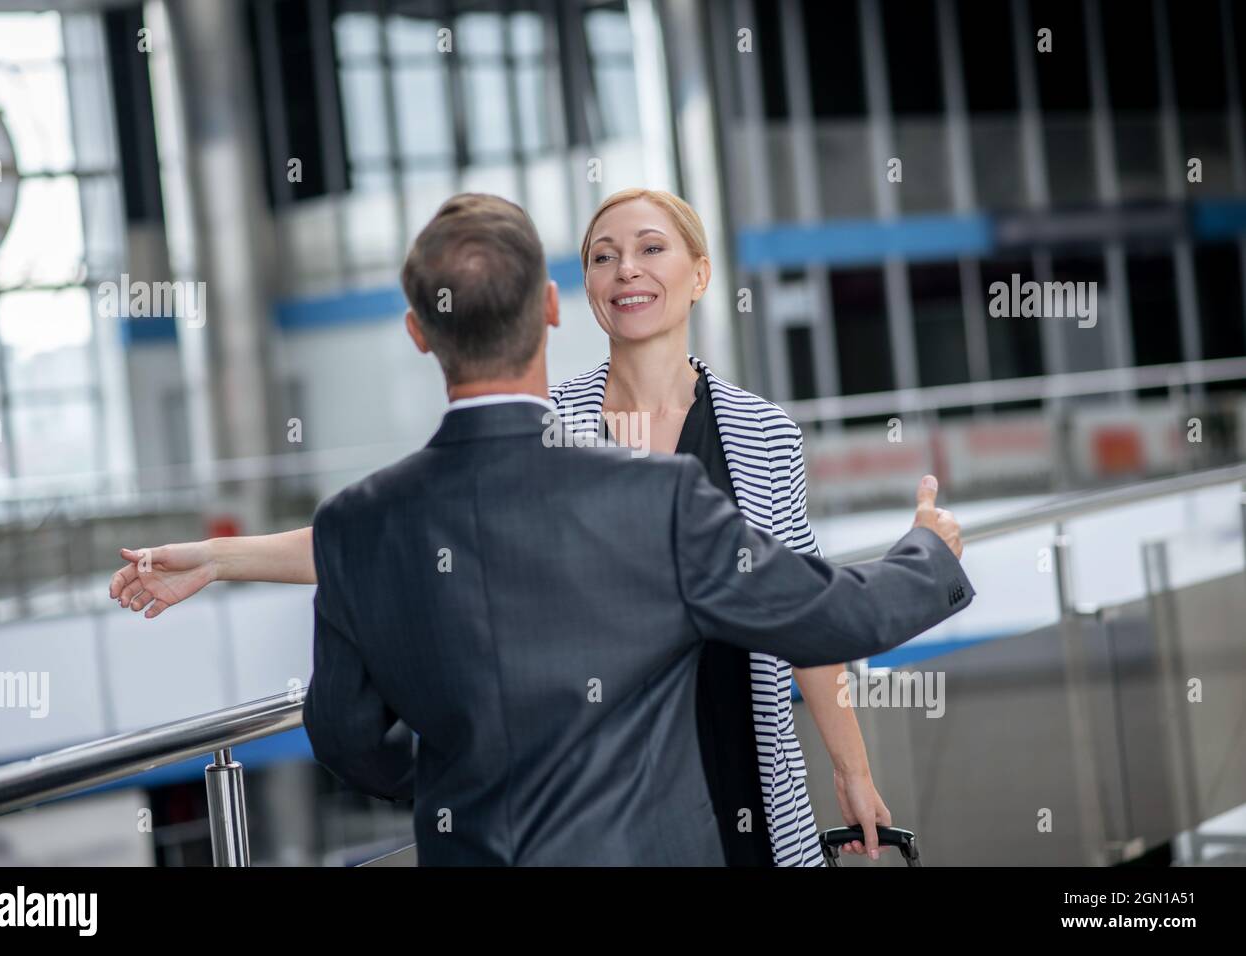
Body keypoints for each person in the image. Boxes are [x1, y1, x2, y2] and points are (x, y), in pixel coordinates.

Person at [111, 193, 973, 866]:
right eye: (604, 254)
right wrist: (929, 551)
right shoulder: (617, 469)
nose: (626, 270)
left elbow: (375, 578)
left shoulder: (753, 432)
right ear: (559, 305)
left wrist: (482, 766)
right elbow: (826, 607)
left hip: (726, 767)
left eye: (649, 248)